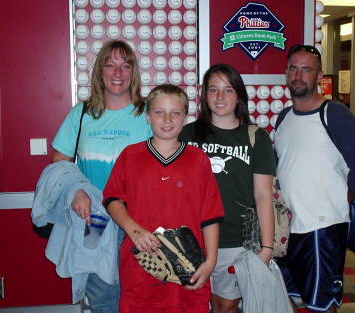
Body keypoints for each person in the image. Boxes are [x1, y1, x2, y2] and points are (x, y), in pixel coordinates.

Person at [274, 44, 355, 313]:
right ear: (286, 73)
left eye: (306, 70)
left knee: (323, 304)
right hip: (290, 229)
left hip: (322, 230)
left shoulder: (333, 113)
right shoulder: (284, 117)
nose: (298, 75)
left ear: (319, 77)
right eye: (293, 69)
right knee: (294, 296)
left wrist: (340, 202)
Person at [102, 84, 225, 313]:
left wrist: (211, 262)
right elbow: (112, 199)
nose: (167, 119)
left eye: (175, 113)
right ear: (148, 116)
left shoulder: (197, 160)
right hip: (141, 269)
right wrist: (134, 230)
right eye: (159, 112)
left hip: (188, 269)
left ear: (185, 118)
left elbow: (211, 216)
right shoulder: (131, 156)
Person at [51, 40, 152, 313]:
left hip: (137, 218)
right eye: (110, 64)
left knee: (138, 293)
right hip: (93, 219)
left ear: (133, 72)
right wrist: (76, 190)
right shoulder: (82, 114)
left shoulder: (148, 114)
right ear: (99, 71)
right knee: (101, 296)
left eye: (125, 65)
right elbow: (59, 162)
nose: (117, 72)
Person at [180, 64, 276, 313]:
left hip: (236, 240)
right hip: (193, 239)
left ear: (239, 96)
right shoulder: (186, 135)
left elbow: (264, 195)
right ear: (204, 95)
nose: (220, 97)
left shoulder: (256, 137)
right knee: (194, 305)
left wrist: (266, 248)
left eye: (228, 90)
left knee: (225, 306)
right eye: (213, 90)